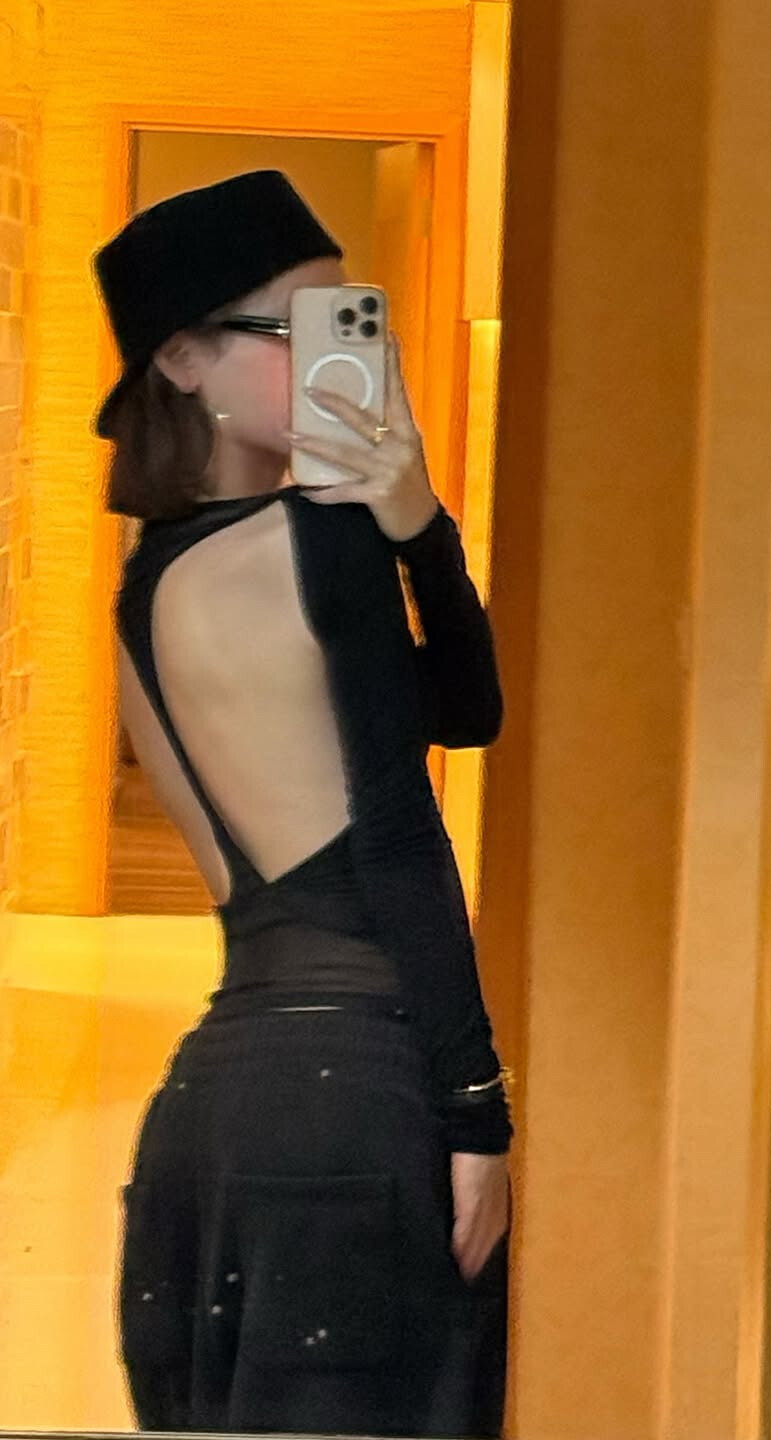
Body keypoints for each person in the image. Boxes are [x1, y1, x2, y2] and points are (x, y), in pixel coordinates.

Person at [92, 169, 512, 1437]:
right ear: (180, 359)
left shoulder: (147, 583)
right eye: (300, 326)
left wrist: (414, 523)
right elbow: (400, 827)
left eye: (355, 317)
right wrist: (476, 1107)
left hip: (212, 1117)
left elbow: (456, 711)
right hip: (353, 1107)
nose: (347, 356)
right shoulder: (320, 541)